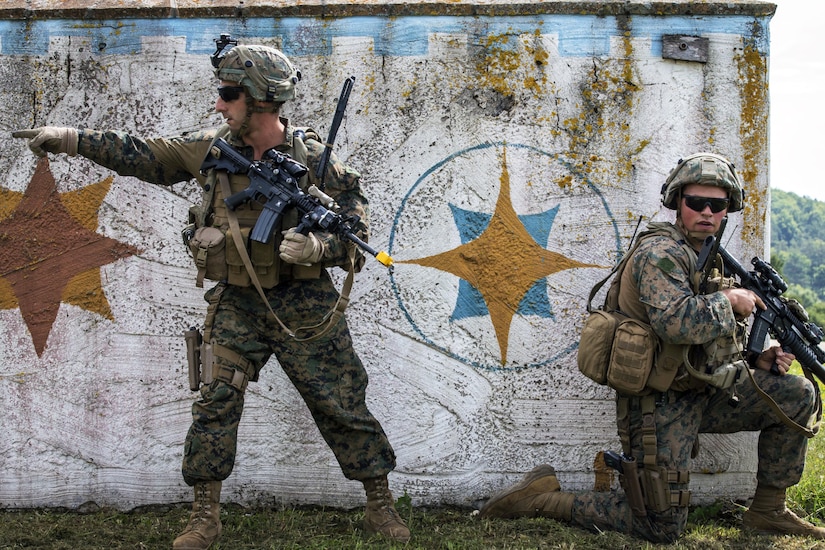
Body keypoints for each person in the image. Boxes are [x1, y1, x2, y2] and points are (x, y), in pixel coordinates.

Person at [13, 36, 409, 549]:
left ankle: (380, 504)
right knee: (214, 402)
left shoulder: (314, 159)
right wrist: (69, 138)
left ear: (260, 101)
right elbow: (144, 154)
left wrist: (317, 246)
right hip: (236, 303)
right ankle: (205, 517)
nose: (218, 103)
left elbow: (356, 228)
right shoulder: (212, 148)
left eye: (228, 93)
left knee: (342, 401)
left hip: (305, 304)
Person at [479, 153, 823, 542]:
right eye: (697, 202)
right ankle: (540, 499)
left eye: (718, 205)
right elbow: (675, 322)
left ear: (727, 210)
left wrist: (756, 356)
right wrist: (729, 302)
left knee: (796, 394)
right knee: (661, 526)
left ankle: (768, 511)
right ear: (678, 202)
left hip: (703, 388)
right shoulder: (660, 253)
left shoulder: (705, 258)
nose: (707, 212)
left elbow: (708, 338)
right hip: (657, 404)